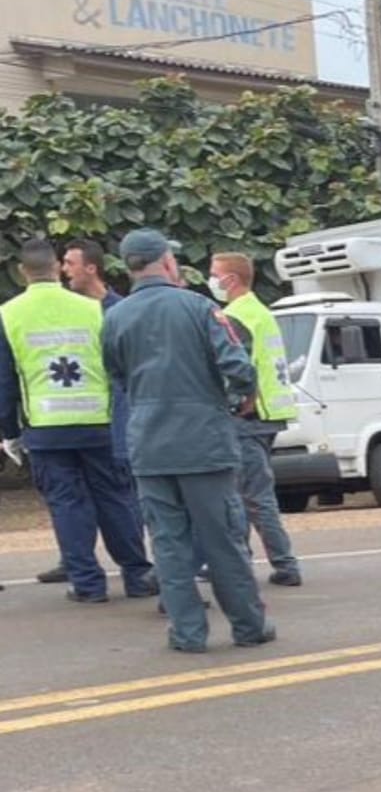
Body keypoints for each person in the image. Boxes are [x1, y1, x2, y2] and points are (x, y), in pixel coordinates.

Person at [101, 229, 275, 652]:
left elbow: (116, 374)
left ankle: (187, 634)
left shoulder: (114, 317)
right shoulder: (199, 308)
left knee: (168, 545)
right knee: (222, 540)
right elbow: (239, 368)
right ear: (166, 262)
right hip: (204, 443)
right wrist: (234, 402)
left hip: (149, 445)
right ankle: (248, 626)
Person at [0, 238, 155, 603]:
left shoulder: (7, 314)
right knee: (115, 500)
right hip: (98, 423)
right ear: (57, 267)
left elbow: (5, 382)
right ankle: (137, 576)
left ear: (22, 272)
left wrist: (9, 432)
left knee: (67, 504)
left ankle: (88, 585)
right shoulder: (93, 309)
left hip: (46, 428)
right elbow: (118, 368)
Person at [211, 253, 303, 587]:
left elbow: (239, 369)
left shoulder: (235, 316)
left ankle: (280, 564)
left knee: (250, 496)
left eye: (214, 274)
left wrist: (237, 405)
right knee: (247, 494)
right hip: (267, 413)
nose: (211, 281)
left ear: (231, 279)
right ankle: (252, 560)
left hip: (248, 416)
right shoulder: (260, 311)